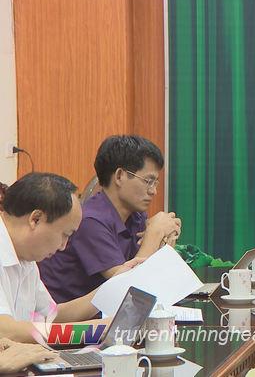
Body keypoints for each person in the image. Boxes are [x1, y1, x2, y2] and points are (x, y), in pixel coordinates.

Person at [39, 135, 181, 303]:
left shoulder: (135, 215)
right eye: (148, 181)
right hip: (67, 316)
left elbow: (149, 277)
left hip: (106, 311)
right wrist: (155, 234)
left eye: (155, 183)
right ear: (119, 176)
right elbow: (127, 290)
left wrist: (166, 242)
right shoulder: (91, 221)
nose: (153, 191)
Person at [0, 173, 138, 343]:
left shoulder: (26, 257)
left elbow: (52, 316)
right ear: (36, 219)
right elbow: (6, 331)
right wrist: (93, 331)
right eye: (65, 234)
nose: (63, 246)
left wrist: (113, 285)